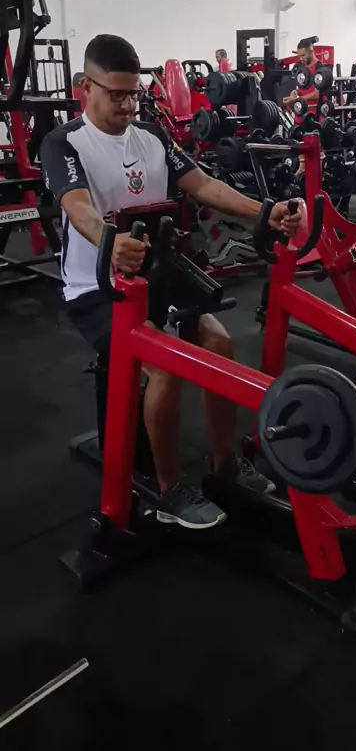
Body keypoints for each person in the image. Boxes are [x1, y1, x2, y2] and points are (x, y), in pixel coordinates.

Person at [41, 34, 301, 530]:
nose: (127, 105)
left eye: (133, 94)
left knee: (220, 344)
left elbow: (203, 184)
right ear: (85, 88)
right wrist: (110, 242)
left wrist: (264, 212)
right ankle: (169, 489)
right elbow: (78, 207)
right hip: (96, 287)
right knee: (164, 365)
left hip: (156, 273)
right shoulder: (64, 143)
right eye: (116, 94)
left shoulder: (153, 137)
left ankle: (225, 464)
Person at [283, 37, 319, 110]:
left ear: (311, 52)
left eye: (303, 55)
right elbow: (303, 87)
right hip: (300, 110)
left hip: (314, 111)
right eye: (299, 56)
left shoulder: (319, 67)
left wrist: (297, 99)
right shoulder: (302, 67)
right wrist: (296, 91)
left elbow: (317, 94)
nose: (301, 58)